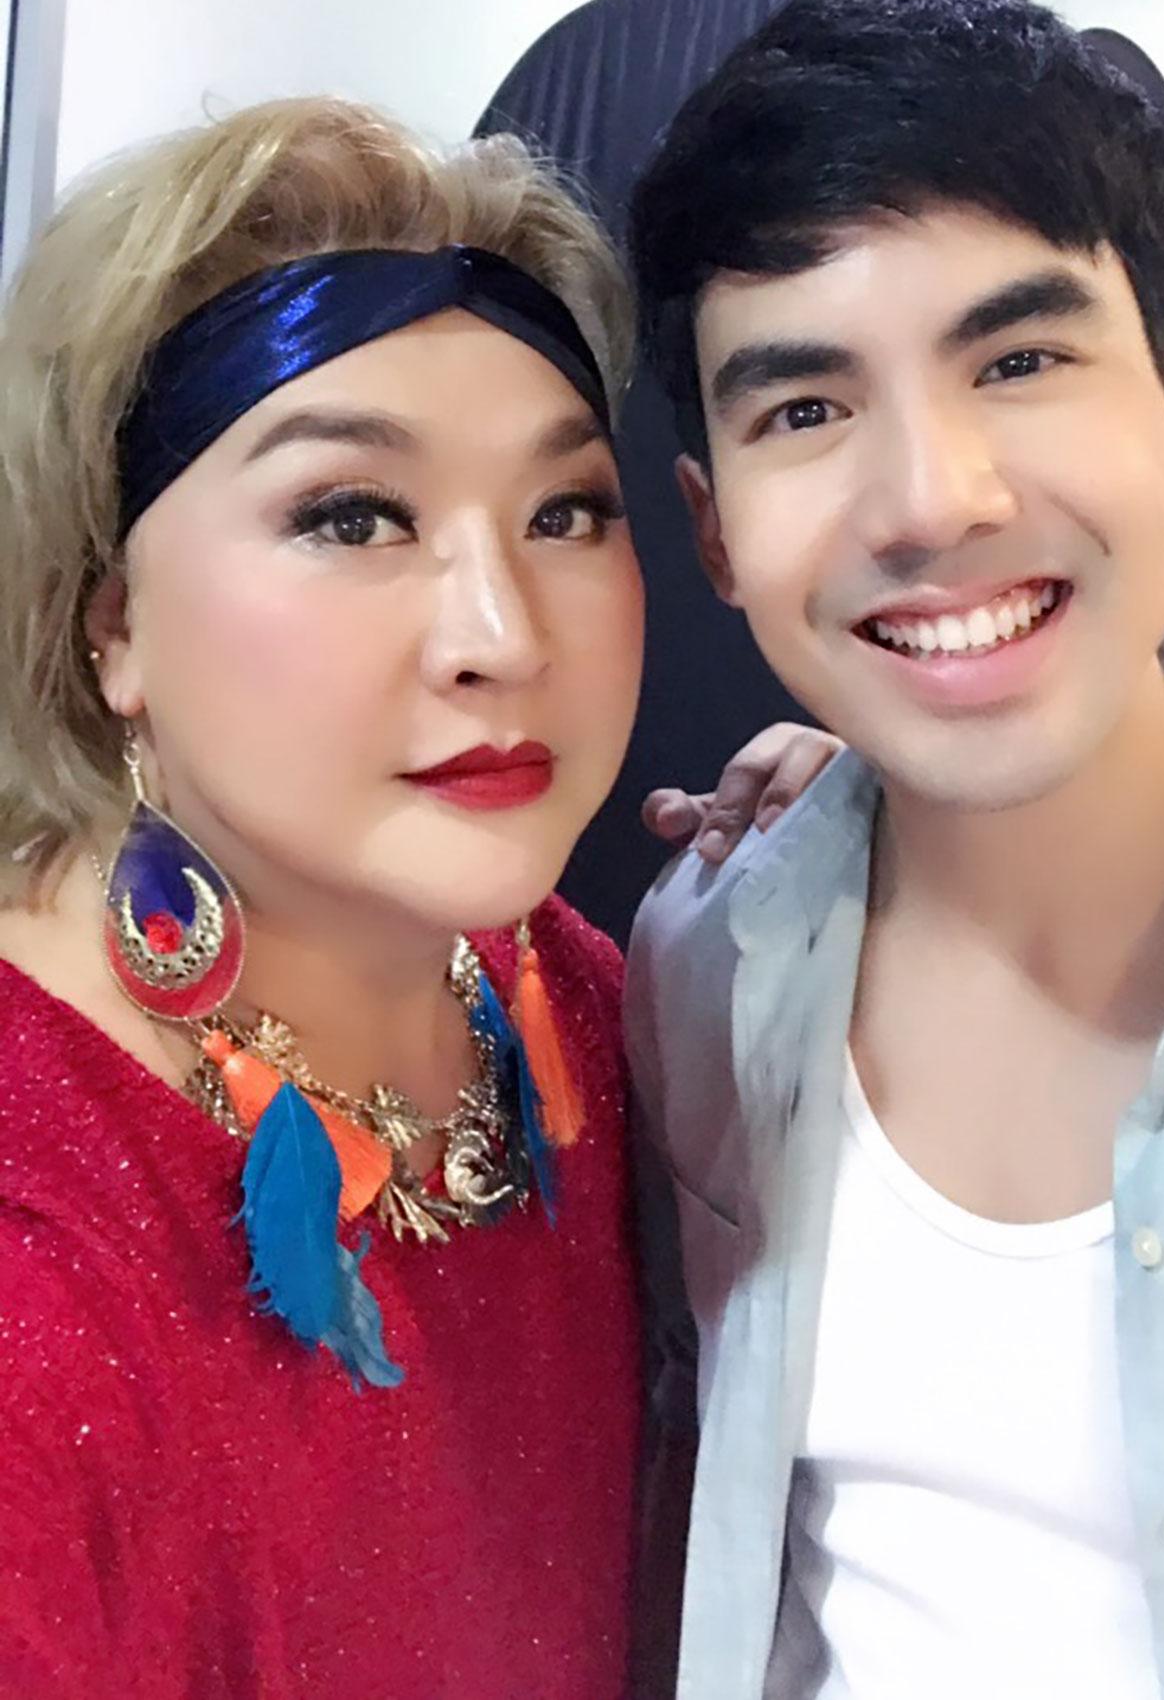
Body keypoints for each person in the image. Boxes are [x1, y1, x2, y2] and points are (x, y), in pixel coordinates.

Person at [0, 96, 824, 1700]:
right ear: (114, 626)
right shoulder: (47, 1256)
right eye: (352, 517)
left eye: (564, 513)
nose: (500, 635)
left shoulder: (568, 1000)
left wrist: (897, 864)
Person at [625, 0, 1164, 1700]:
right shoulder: (701, 966)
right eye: (805, 411)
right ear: (714, 531)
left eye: (1022, 358)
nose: (931, 502)